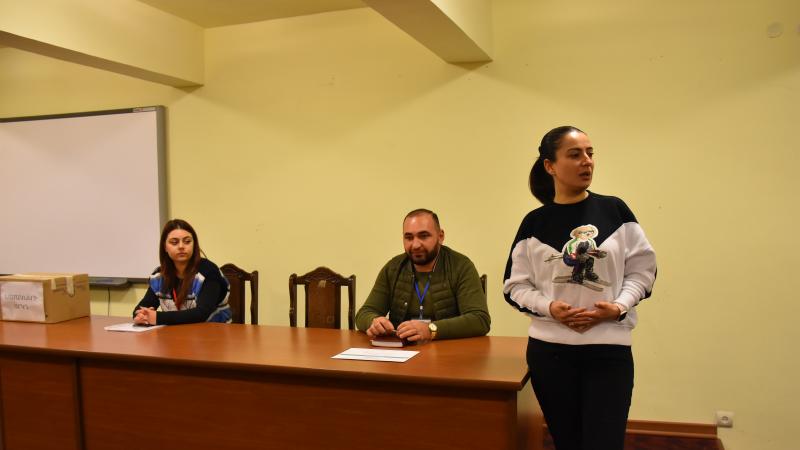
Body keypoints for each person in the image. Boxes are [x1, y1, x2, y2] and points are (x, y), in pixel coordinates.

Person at [503, 126, 657, 450]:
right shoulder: (534, 223)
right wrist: (550, 308)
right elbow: (515, 287)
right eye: (575, 155)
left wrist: (618, 307)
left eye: (590, 153)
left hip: (609, 352)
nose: (587, 161)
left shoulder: (616, 211)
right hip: (550, 354)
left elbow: (642, 273)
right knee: (567, 443)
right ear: (550, 166)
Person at [356, 209, 490, 342]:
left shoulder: (461, 266)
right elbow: (364, 313)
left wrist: (431, 329)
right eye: (409, 237)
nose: (415, 245)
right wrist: (374, 322)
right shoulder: (393, 268)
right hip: (402, 350)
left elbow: (480, 320)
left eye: (424, 236)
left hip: (448, 350)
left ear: (440, 236)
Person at [133, 219, 232, 325]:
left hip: (214, 331)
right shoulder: (159, 276)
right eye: (174, 242)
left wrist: (157, 317)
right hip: (176, 332)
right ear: (165, 247)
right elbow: (141, 308)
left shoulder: (208, 271)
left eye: (187, 241)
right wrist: (141, 316)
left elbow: (202, 313)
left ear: (194, 245)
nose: (181, 246)